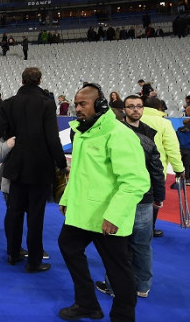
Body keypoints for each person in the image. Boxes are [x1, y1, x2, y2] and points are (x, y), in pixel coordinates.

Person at [57, 83, 149, 322]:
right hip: (82, 214)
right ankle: (87, 304)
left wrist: (115, 215)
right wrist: (67, 199)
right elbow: (78, 172)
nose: (77, 108)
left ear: (99, 105)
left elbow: (135, 182)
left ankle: (123, 316)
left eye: (82, 104)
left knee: (118, 269)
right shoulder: (83, 132)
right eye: (75, 104)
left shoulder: (119, 134)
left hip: (108, 217)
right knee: (67, 245)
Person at [0, 68, 67, 271]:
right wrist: (61, 163)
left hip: (16, 167)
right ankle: (34, 261)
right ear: (40, 81)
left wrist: (11, 138)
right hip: (40, 168)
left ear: (22, 80)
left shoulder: (8, 103)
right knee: (36, 217)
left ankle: (13, 254)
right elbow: (53, 138)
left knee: (14, 213)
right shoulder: (46, 103)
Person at [94, 98, 166, 299]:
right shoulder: (114, 132)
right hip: (120, 197)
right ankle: (115, 285)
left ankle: (140, 286)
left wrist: (159, 195)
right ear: (124, 110)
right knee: (119, 247)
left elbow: (156, 168)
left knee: (137, 246)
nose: (136, 109)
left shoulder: (148, 133)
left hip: (142, 198)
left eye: (139, 106)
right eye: (131, 106)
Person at [140, 96, 184, 237]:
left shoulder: (131, 119)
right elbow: (172, 148)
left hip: (132, 166)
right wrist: (179, 169)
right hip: (155, 168)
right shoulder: (164, 123)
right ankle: (149, 229)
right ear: (159, 107)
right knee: (154, 199)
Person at [176, 118, 190, 184]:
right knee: (187, 165)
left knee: (179, 164)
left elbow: (176, 140)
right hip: (189, 150)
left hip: (180, 149)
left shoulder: (178, 131)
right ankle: (187, 180)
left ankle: (178, 178)